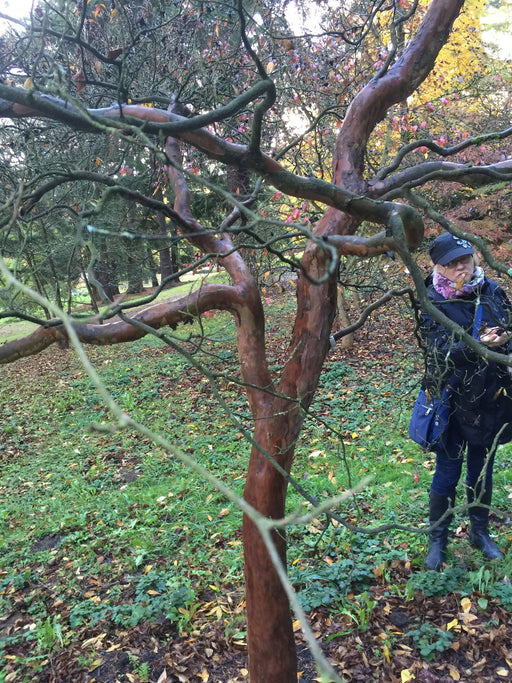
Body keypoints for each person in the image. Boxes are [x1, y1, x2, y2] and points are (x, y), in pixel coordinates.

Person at [419, 232, 511, 570]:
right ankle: (438, 539)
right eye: (453, 263)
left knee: (481, 470)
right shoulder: (431, 301)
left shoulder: (493, 291)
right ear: (438, 268)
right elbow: (439, 356)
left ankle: (479, 532)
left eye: (466, 259)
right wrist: (479, 345)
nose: (462, 268)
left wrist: (504, 343)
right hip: (452, 401)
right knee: (447, 471)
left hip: (489, 399)